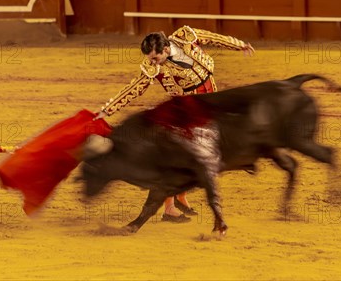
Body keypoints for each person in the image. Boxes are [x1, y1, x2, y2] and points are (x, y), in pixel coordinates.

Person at [96, 25, 255, 222]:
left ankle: (181, 197)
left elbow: (213, 37)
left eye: (155, 57)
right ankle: (169, 208)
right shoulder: (153, 68)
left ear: (165, 49)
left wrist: (239, 45)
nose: (151, 61)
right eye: (149, 58)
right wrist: (107, 109)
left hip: (210, 94)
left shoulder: (185, 35)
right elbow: (133, 89)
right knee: (185, 154)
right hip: (188, 107)